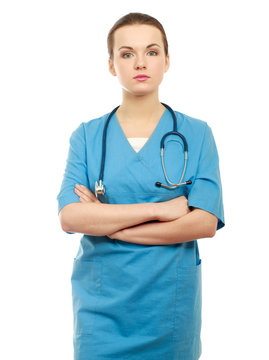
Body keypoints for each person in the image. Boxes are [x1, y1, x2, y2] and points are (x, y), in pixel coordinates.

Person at [57, 12, 225, 360]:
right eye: (127, 53)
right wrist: (160, 210)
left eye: (151, 52)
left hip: (169, 310)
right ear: (111, 65)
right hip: (101, 311)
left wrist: (109, 224)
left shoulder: (197, 134)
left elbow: (203, 223)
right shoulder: (87, 136)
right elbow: (71, 218)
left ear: (167, 60)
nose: (140, 63)